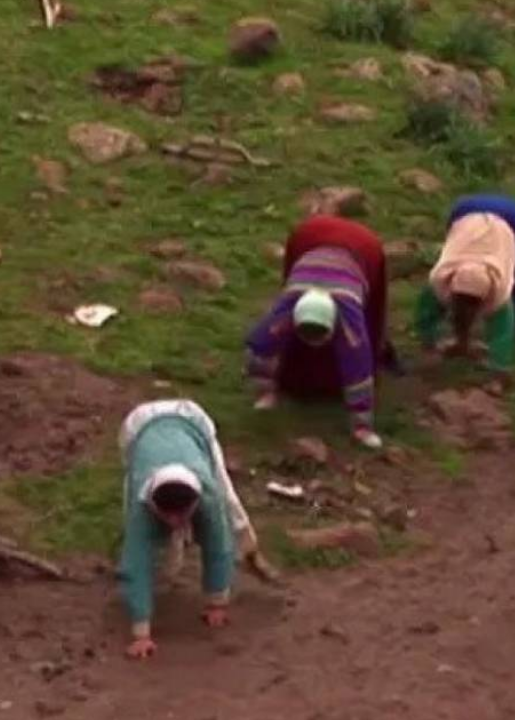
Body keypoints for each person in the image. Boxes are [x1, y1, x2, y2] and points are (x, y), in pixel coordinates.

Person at [117, 399, 261, 659]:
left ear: (195, 500)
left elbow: (218, 545)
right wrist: (141, 633)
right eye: (166, 515)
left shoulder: (208, 494)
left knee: (225, 506)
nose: (174, 522)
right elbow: (135, 563)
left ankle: (249, 543)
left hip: (192, 421)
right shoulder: (141, 504)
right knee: (139, 541)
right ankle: (163, 564)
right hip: (139, 428)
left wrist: (216, 603)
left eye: (180, 515)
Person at [246, 216, 393, 449]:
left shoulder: (349, 312)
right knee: (271, 339)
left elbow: (359, 368)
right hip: (310, 235)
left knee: (360, 342)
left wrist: (362, 427)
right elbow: (262, 345)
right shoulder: (289, 302)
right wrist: (265, 392)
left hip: (363, 245)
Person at [415, 194, 515, 372]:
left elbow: (502, 333)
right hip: (464, 212)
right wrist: (429, 343)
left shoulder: (499, 293)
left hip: (510, 217)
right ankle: (461, 341)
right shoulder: (439, 282)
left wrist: (499, 371)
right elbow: (425, 314)